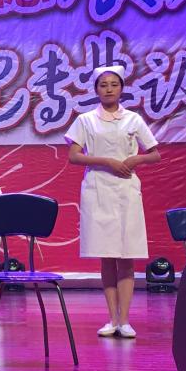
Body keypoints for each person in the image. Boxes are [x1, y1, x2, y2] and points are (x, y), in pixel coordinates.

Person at [65, 66, 160, 340]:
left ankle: (125, 320)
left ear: (122, 88)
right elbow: (74, 156)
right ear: (96, 89)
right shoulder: (86, 120)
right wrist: (106, 161)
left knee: (126, 255)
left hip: (126, 189)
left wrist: (136, 159)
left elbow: (155, 154)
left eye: (114, 84)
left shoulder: (133, 119)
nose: (108, 89)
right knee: (106, 256)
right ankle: (112, 318)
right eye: (103, 84)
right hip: (98, 189)